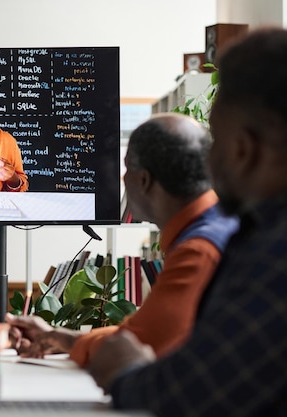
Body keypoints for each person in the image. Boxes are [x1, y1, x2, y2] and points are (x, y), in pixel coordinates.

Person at [87, 27, 287, 416]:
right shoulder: (257, 237)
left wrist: (123, 369)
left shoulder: (273, 256)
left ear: (244, 149)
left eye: (217, 143)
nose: (207, 165)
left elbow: (185, 393)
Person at [6, 112, 239, 367]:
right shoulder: (216, 228)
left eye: (126, 168)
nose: (123, 179)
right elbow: (141, 333)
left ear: (143, 180)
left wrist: (62, 339)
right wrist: (56, 338)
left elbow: (140, 346)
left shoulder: (198, 252)